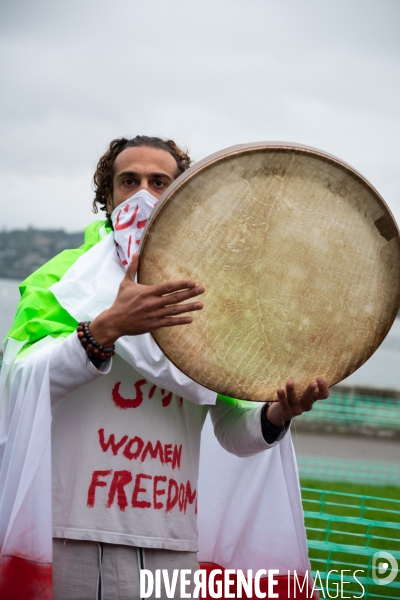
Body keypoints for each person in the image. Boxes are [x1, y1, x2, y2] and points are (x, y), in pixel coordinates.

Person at [0, 135, 328, 600]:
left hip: (172, 547)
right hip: (65, 535)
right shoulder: (59, 282)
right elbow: (19, 389)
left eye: (159, 183)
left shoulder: (216, 301)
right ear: (107, 197)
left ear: (181, 195)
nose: (142, 196)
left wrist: (278, 415)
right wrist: (104, 329)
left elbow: (231, 429)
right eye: (127, 181)